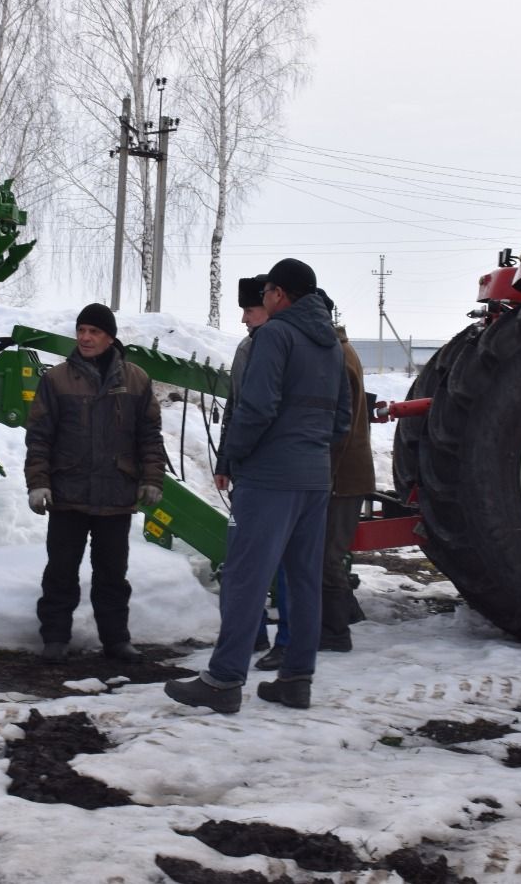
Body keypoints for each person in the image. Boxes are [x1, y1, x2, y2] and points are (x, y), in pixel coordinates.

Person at [165, 258, 351, 713]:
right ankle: (295, 680)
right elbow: (343, 417)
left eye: (267, 291)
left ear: (279, 294)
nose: (263, 298)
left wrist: (236, 455)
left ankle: (224, 681)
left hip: (270, 478)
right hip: (313, 477)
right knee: (303, 579)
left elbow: (257, 406)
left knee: (246, 577)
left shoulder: (275, 336)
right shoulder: (331, 346)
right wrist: (310, 450)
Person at [25, 303, 167, 664]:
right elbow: (39, 436)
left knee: (113, 575)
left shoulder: (136, 380)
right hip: (68, 493)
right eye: (81, 330)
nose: (85, 338)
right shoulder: (56, 379)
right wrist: (38, 482)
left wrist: (152, 478)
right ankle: (54, 639)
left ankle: (116, 640)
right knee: (60, 571)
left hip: (116, 493)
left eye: (94, 332)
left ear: (110, 338)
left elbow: (149, 436)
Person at [214, 275, 288, 663]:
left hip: (273, 474)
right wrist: (227, 459)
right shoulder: (248, 348)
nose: (244, 318)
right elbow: (236, 407)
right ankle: (253, 634)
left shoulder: (283, 346)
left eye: (249, 310)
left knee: (280, 563)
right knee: (243, 559)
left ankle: (287, 644)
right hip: (249, 469)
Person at [321, 322, 375, 651]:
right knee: (327, 554)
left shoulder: (338, 356)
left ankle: (337, 632)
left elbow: (339, 427)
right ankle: (343, 618)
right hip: (345, 473)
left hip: (344, 475)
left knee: (328, 556)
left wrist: (325, 473)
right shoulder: (342, 350)